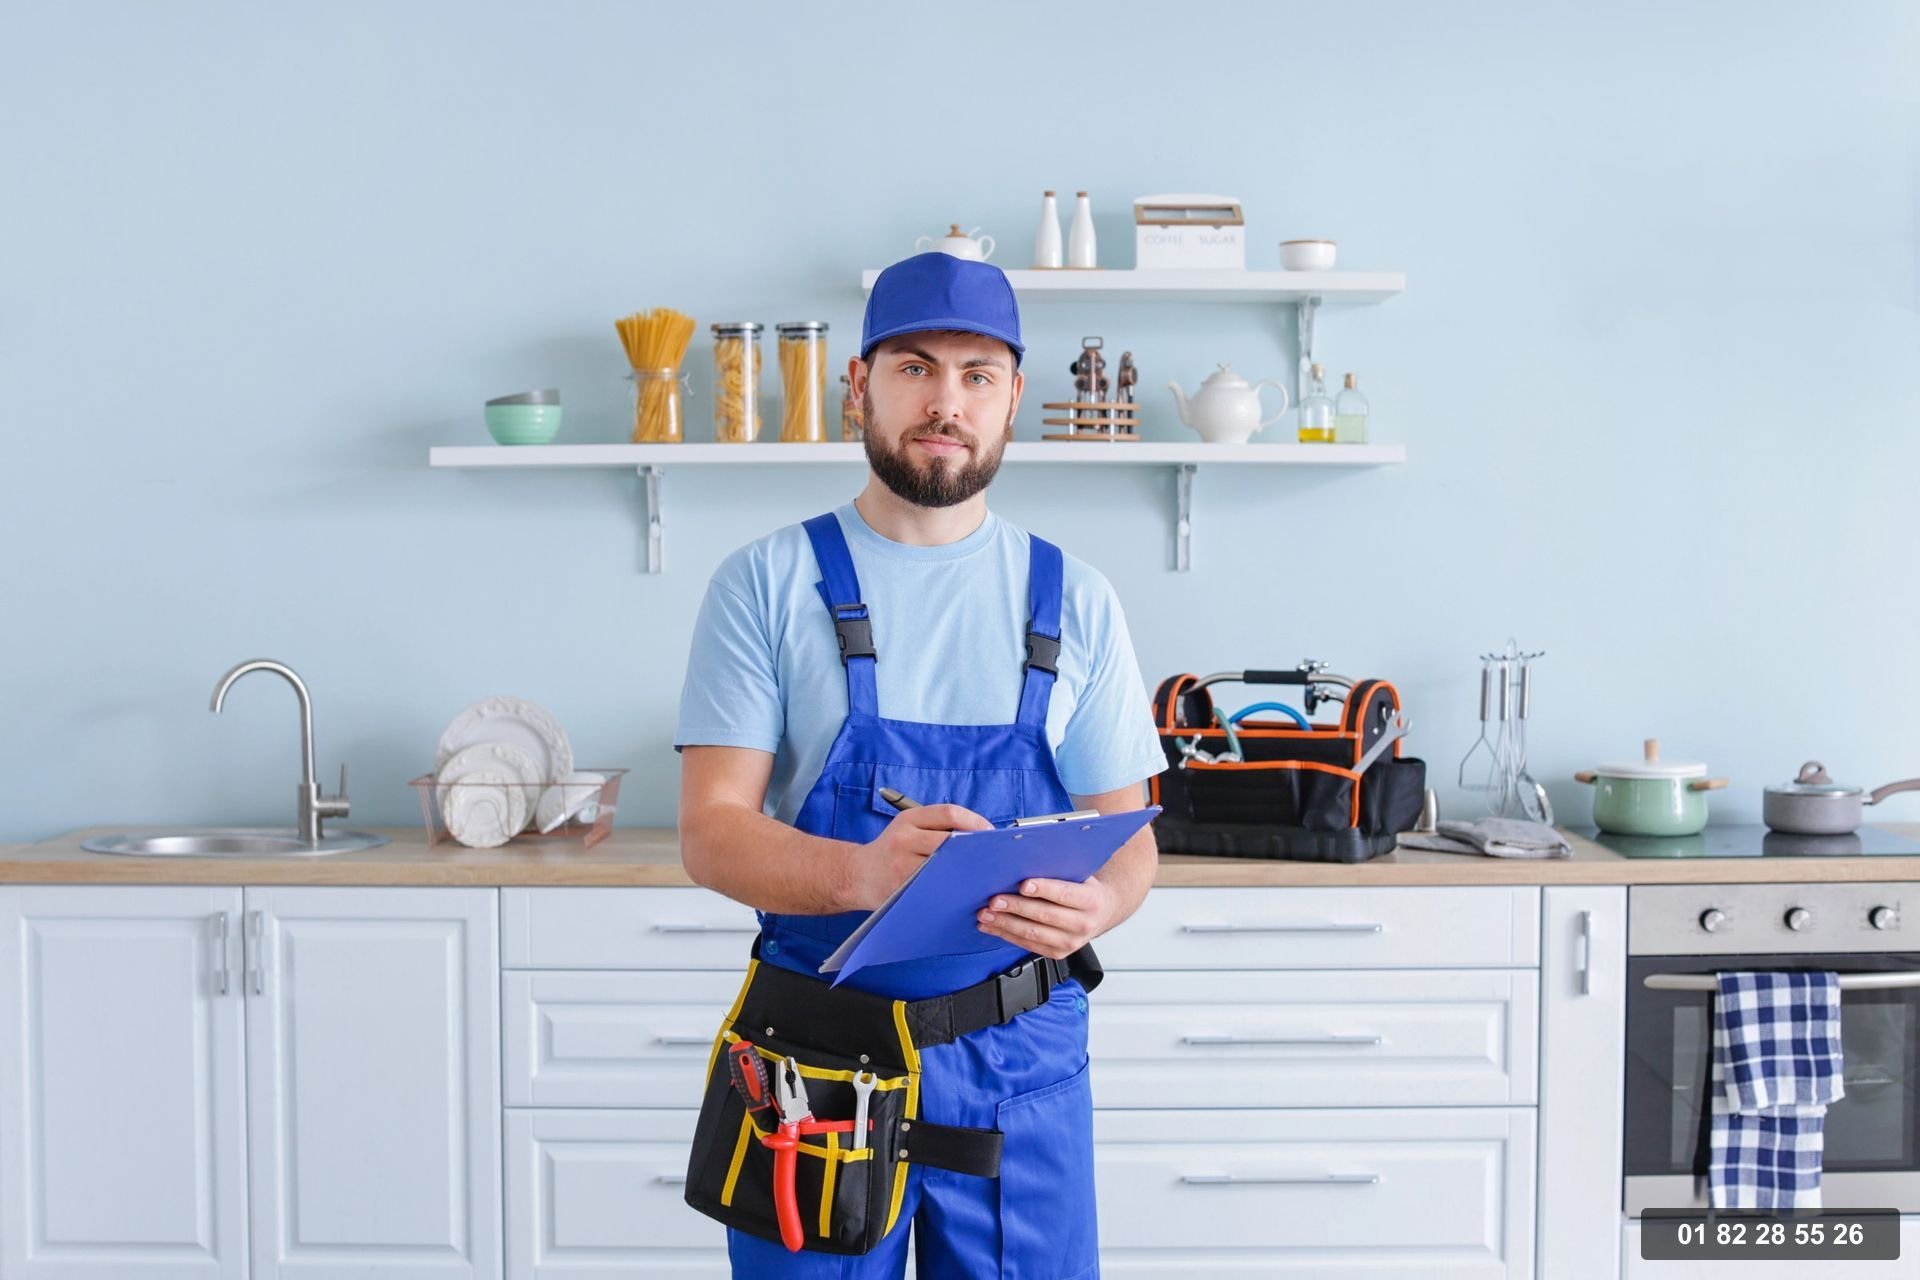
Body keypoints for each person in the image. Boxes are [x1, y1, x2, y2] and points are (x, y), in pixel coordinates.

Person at [675, 251, 1165, 1279]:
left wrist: (1099, 907)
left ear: (1013, 400)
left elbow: (1132, 841)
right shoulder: (766, 583)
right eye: (915, 367)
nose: (946, 401)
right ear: (861, 382)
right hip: (814, 1056)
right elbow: (710, 829)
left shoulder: (1074, 598)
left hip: (1017, 1060)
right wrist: (863, 874)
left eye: (977, 374)